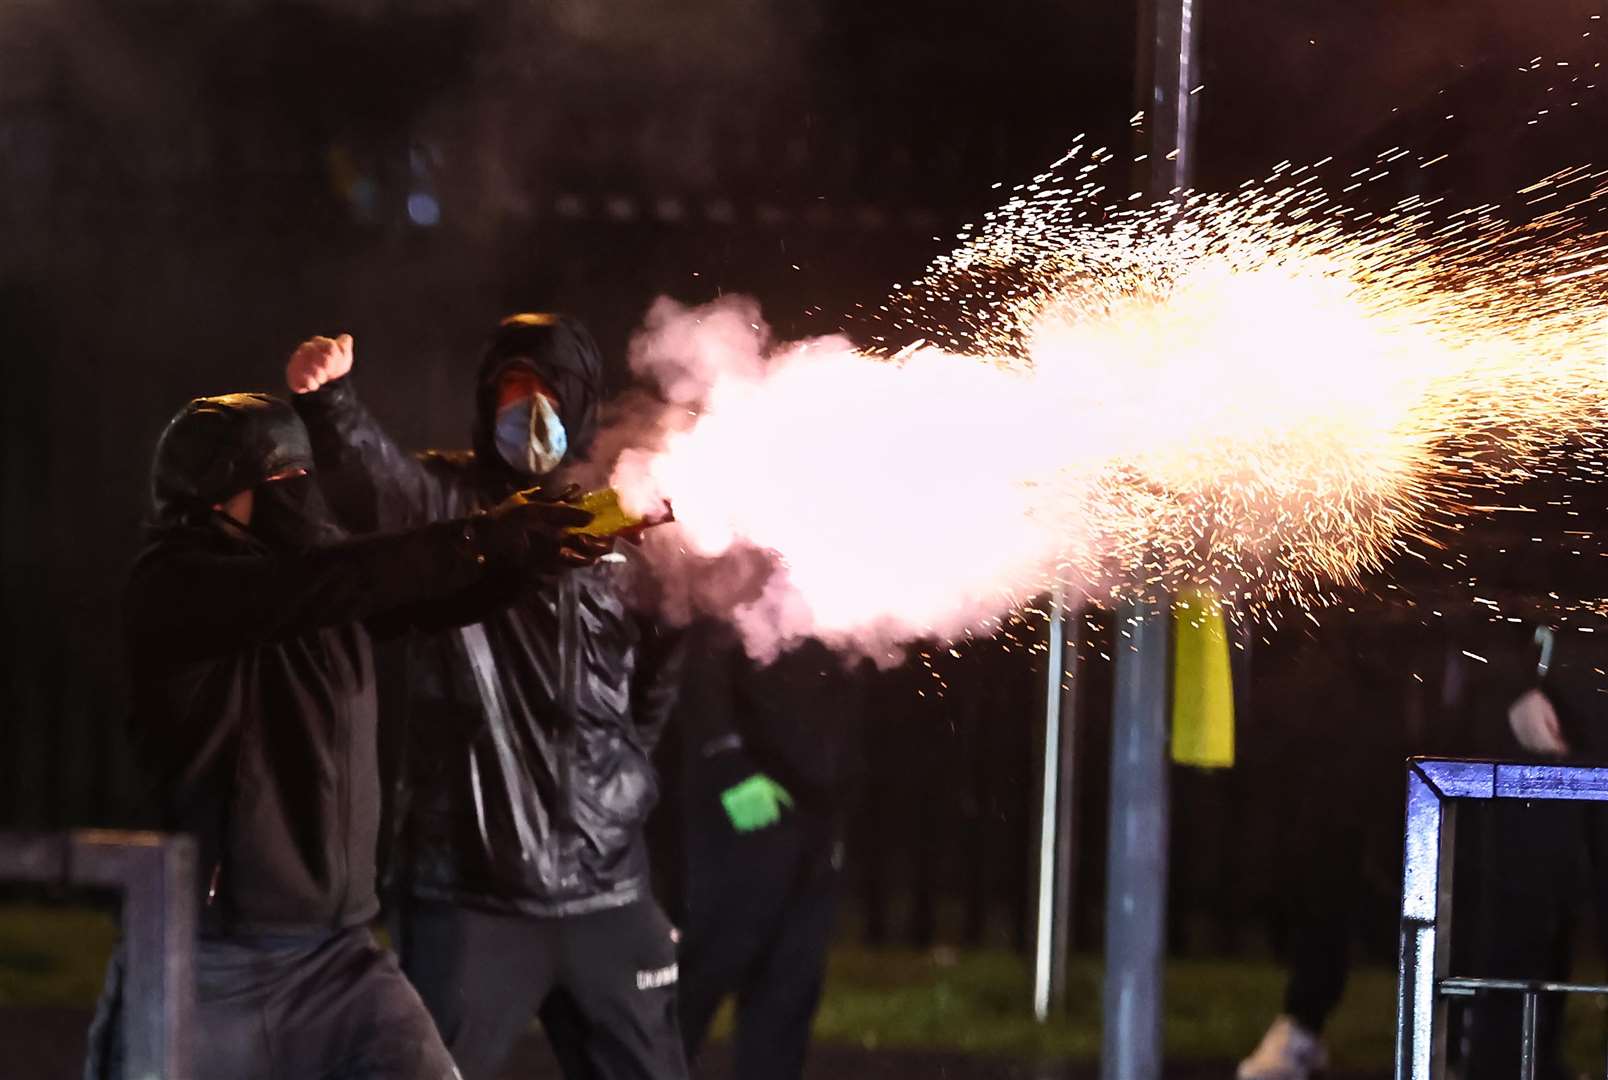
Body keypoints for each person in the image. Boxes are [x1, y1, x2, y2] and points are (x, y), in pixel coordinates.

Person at [85, 391, 603, 1080]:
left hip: (338, 960)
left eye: (304, 477)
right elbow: (323, 585)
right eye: (281, 482)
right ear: (220, 495)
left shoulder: (315, 574)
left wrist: (522, 563)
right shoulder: (175, 584)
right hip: (206, 960)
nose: (301, 494)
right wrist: (481, 535)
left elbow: (414, 593)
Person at [285, 316, 687, 1080]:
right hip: (471, 897)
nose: (528, 408)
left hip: (608, 891)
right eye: (512, 389)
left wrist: (623, 777)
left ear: (578, 401)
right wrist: (331, 405)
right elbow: (379, 487)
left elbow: (661, 669)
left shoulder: (625, 518)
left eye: (544, 390)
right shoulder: (448, 505)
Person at [666, 625, 865, 1080]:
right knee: (710, 962)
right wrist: (726, 761)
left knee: (789, 983)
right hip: (748, 797)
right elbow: (701, 656)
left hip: (819, 804)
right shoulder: (744, 563)